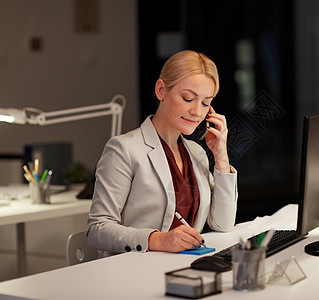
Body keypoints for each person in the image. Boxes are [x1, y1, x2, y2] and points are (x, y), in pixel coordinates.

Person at [86, 50, 237, 255]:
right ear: (161, 90)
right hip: (135, 271)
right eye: (187, 98)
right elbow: (97, 229)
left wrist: (221, 157)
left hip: (184, 268)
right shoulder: (123, 149)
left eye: (205, 103)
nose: (197, 112)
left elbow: (223, 224)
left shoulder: (196, 153)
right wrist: (157, 239)